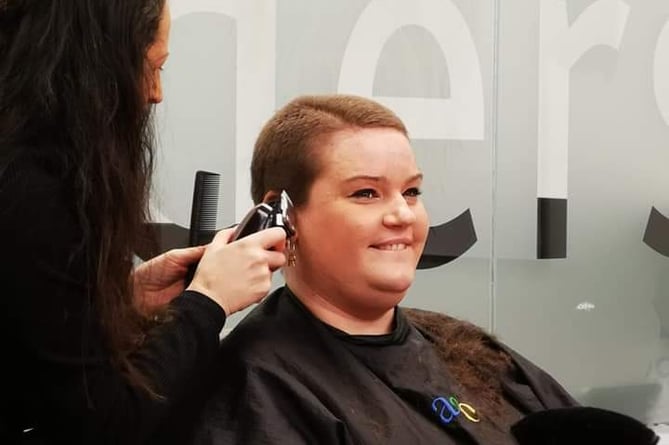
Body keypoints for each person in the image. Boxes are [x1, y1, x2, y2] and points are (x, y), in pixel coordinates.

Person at [187, 94, 579, 444]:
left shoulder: (467, 348)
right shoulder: (259, 387)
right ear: (284, 217)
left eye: (411, 192)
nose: (401, 214)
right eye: (366, 193)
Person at [0, 1, 286, 443]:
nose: (156, 93)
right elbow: (104, 423)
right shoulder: (31, 193)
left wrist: (122, 303)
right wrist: (207, 303)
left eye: (411, 192)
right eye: (154, 67)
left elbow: (27, 329)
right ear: (95, 65)